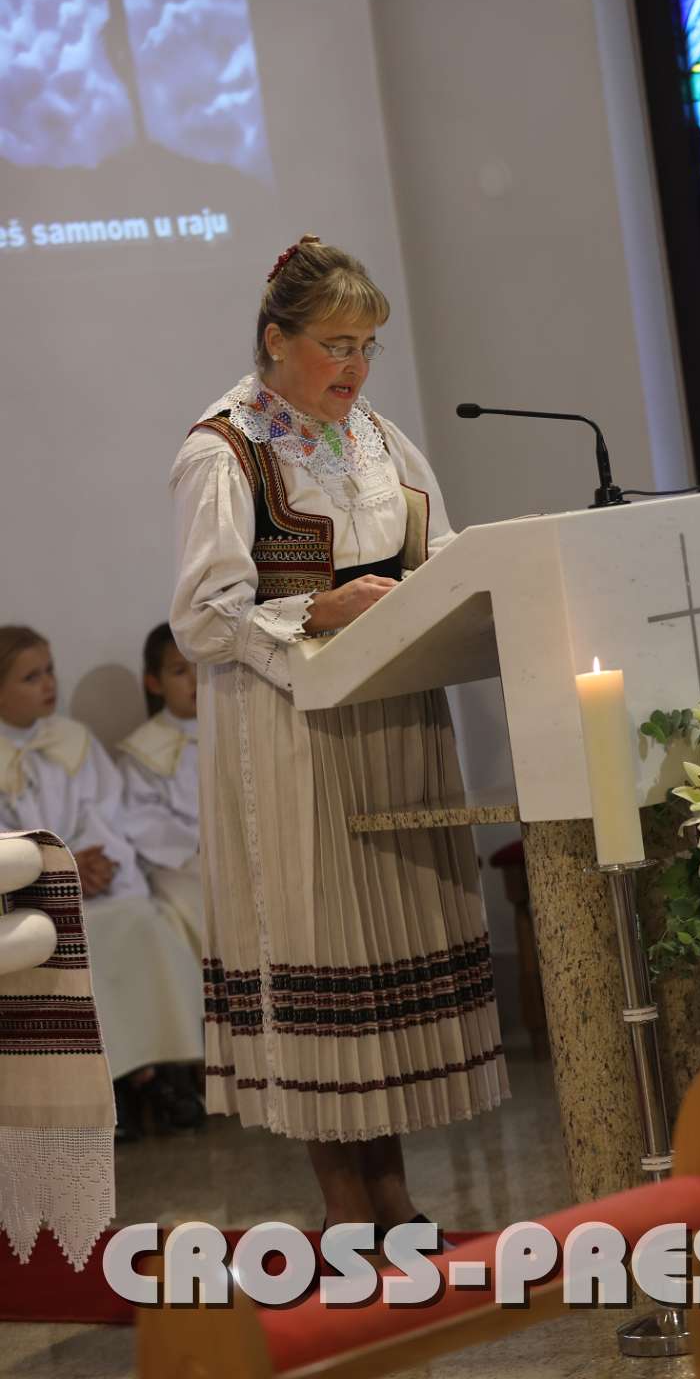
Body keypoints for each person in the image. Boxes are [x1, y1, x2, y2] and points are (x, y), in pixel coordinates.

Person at [169, 235, 507, 1234]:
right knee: (327, 949)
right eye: (335, 344)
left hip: (393, 717)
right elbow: (202, 619)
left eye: (366, 346)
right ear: (276, 340)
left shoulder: (380, 442)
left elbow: (438, 558)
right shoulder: (224, 451)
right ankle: (347, 1206)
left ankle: (392, 1193)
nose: (354, 368)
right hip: (290, 735)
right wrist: (316, 610)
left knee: (383, 951)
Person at [0, 626, 205, 1138]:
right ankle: (109, 1086)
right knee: (74, 941)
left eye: (50, 671)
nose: (49, 684)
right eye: (31, 677)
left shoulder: (74, 741)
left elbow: (107, 818)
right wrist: (62, 870)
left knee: (140, 921)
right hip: (33, 897)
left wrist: (96, 865)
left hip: (96, 882)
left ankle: (161, 1069)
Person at [117, 623, 202, 957]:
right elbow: (142, 818)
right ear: (154, 683)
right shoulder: (142, 751)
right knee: (194, 907)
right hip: (180, 863)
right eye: (180, 671)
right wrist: (200, 843)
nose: (195, 679)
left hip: (243, 850)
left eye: (201, 665)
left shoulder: (237, 729)